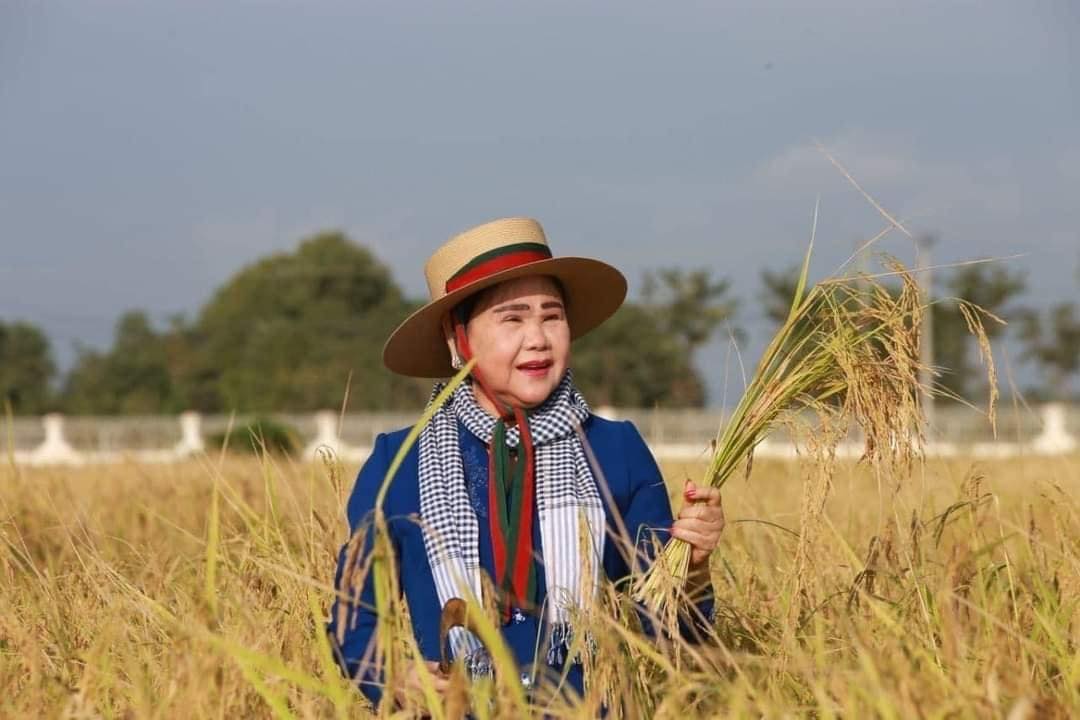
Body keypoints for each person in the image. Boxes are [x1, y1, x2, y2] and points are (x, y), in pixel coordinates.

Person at [327, 217, 725, 709]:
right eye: (512, 319)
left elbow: (669, 632)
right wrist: (394, 677)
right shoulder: (400, 462)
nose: (538, 338)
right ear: (458, 340)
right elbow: (353, 619)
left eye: (551, 316)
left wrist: (695, 563)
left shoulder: (613, 450)